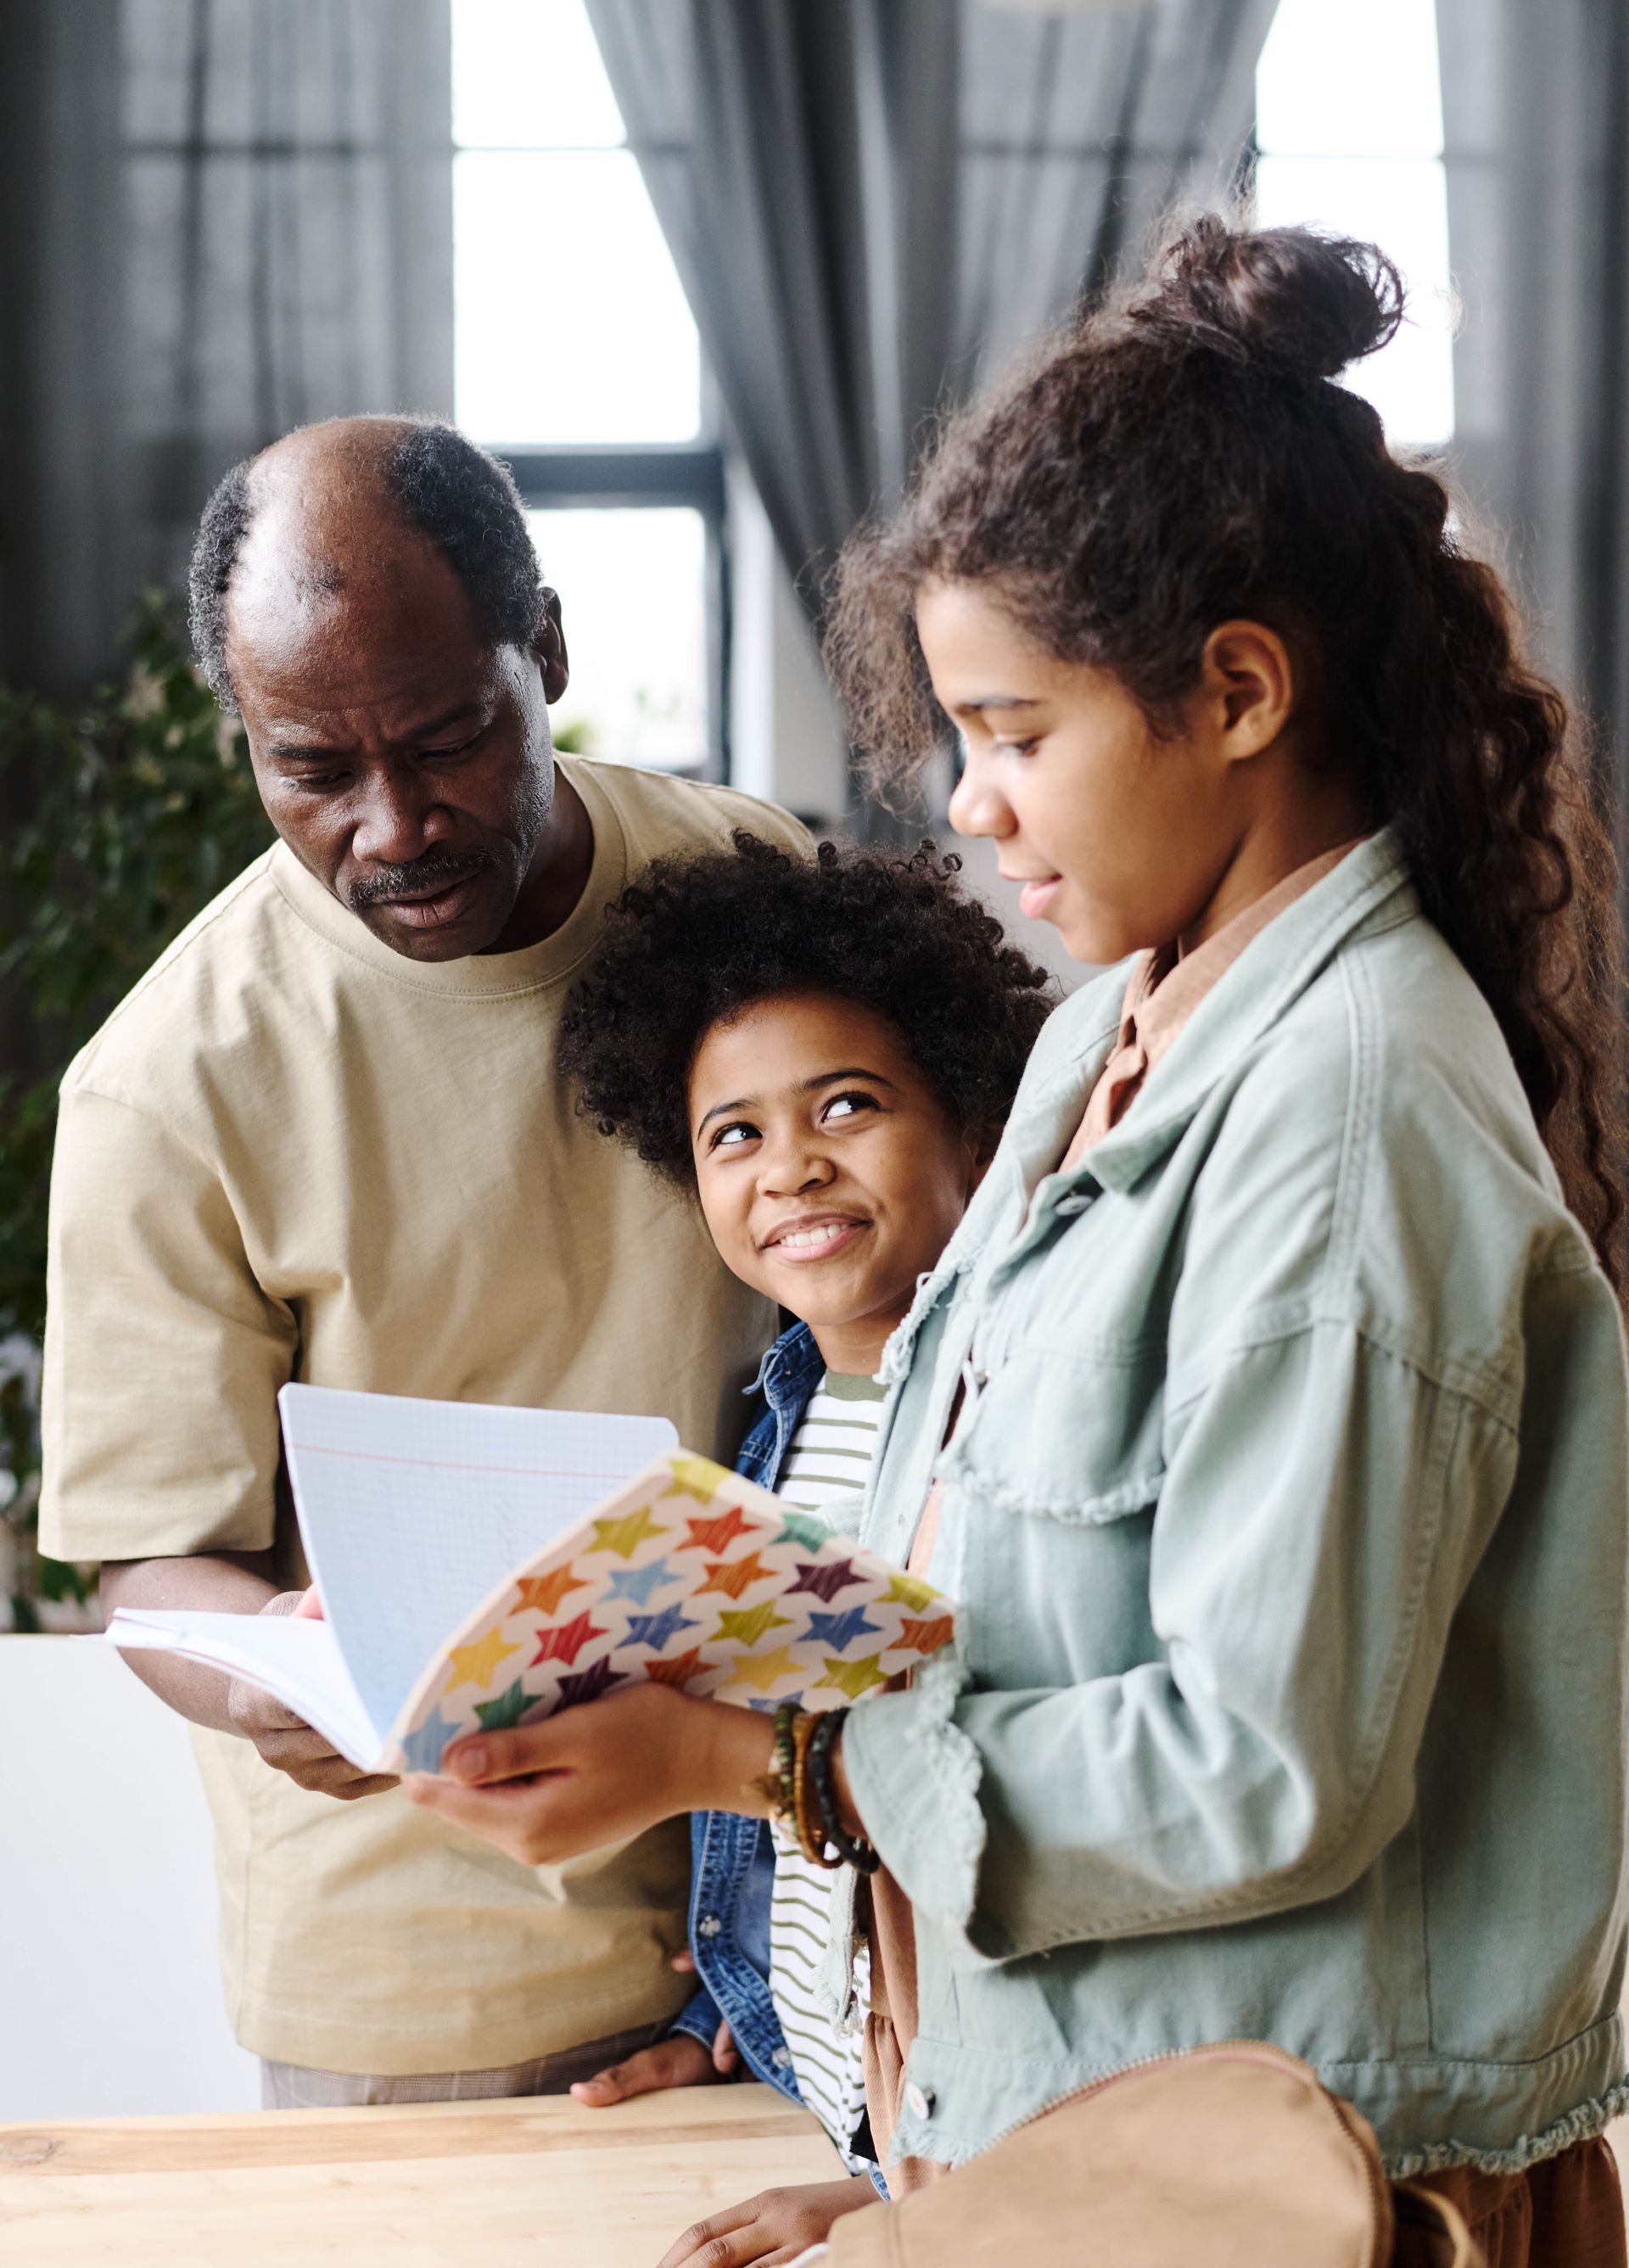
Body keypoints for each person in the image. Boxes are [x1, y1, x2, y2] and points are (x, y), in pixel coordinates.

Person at [398, 223, 1629, 2267]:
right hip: (1102, 2169)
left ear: (1237, 689)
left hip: (1305, 2195)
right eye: (954, 738)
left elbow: (1258, 1765)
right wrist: (923, 2178)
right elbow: (1014, 1609)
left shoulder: (1339, 1119)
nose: (968, 807)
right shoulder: (1099, 1049)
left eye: (1016, 732)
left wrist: (746, 1754)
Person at [38, 414, 808, 2108]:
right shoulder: (169, 1084)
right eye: (310, 765)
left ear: (543, 648)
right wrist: (267, 1674)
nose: (393, 825)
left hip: (796, 1902)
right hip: (435, 1982)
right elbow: (151, 1573)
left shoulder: (757, 894)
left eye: (452, 738)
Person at [546, 831, 1053, 2260]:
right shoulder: (766, 1437)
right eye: (735, 1135)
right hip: (837, 2112)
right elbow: (798, 1787)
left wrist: (890, 2195)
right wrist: (730, 2012)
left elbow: (1004, 1811)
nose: (792, 1169)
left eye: (847, 1105)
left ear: (970, 1119)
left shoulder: (1011, 1427)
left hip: (971, 2158)